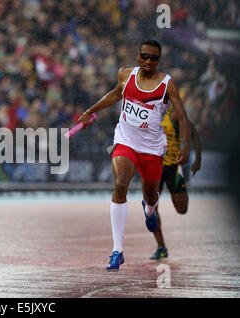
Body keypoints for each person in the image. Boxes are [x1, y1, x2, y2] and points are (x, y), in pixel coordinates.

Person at [77, 40, 191, 271]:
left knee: (151, 196)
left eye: (154, 58)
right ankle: (117, 251)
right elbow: (115, 94)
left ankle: (149, 210)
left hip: (151, 149)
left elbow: (183, 116)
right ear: (138, 56)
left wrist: (186, 147)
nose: (149, 62)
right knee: (120, 184)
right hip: (125, 141)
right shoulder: (125, 75)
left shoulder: (167, 84)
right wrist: (91, 110)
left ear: (159, 60)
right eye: (145, 56)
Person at [149, 106, 201, 259]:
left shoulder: (175, 113)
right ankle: (161, 247)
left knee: (182, 209)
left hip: (172, 168)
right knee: (151, 210)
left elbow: (195, 134)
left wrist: (198, 159)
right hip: (153, 168)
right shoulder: (147, 111)